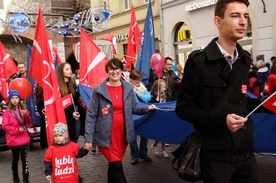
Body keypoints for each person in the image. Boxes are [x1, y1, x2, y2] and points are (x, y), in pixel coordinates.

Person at [175, 0, 270, 182]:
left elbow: (240, 100)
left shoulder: (244, 60)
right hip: (215, 157)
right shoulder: (199, 61)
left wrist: (268, 104)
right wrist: (221, 121)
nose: (243, 21)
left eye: (246, 16)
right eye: (235, 16)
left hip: (246, 153)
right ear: (218, 21)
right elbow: (184, 108)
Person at [84, 58, 155, 183]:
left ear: (121, 70)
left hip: (122, 135)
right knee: (117, 165)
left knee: (114, 165)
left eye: (116, 68)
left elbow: (134, 108)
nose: (114, 71)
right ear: (107, 71)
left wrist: (147, 109)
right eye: (111, 69)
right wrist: (88, 138)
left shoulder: (128, 88)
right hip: (105, 136)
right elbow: (91, 115)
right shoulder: (99, 90)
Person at [2, 90, 32, 183]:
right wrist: (17, 130)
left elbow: (28, 121)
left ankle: (26, 179)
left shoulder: (22, 110)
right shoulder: (7, 112)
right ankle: (15, 177)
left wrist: (26, 115)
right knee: (15, 159)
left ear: (19, 99)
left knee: (24, 160)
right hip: (14, 139)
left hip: (23, 138)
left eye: (16, 98)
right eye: (13, 98)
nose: (15, 100)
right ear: (10, 100)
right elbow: (5, 126)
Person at [128, 70, 152, 165]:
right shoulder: (128, 88)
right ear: (131, 79)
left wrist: (139, 94)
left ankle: (143, 153)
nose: (138, 82)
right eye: (136, 80)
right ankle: (135, 156)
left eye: (139, 80)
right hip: (132, 114)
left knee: (144, 135)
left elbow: (148, 98)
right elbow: (133, 102)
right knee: (132, 137)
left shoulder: (141, 87)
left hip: (143, 113)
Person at [56, 63, 81, 143]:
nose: (70, 71)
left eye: (70, 69)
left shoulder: (73, 83)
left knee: (75, 137)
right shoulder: (58, 86)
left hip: (75, 115)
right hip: (65, 117)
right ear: (61, 72)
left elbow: (76, 99)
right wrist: (71, 113)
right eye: (67, 69)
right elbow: (60, 104)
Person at [150, 79, 169, 158]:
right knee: (160, 133)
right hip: (156, 117)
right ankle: (155, 145)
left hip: (163, 116)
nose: (164, 89)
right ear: (158, 87)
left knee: (164, 133)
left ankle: (163, 150)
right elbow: (151, 105)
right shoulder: (152, 96)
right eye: (163, 87)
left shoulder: (164, 95)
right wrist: (156, 99)